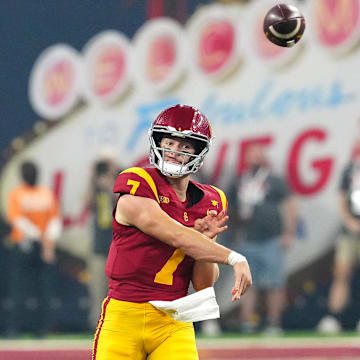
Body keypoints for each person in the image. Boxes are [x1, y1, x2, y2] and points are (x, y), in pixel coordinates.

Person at [92, 104, 252, 360]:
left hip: (174, 319)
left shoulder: (212, 200)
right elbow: (175, 234)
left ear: (198, 152)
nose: (174, 152)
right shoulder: (137, 182)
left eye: (185, 146)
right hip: (124, 316)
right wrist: (233, 257)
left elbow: (202, 284)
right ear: (157, 142)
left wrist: (205, 243)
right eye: (169, 143)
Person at [226, 143, 297, 335]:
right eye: (252, 154)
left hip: (271, 238)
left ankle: (274, 323)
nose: (255, 158)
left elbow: (289, 205)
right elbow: (228, 207)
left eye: (258, 154)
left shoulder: (273, 180)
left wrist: (288, 233)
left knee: (275, 283)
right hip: (247, 238)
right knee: (247, 283)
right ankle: (247, 322)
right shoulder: (239, 181)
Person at [6, 160, 62, 337]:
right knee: (20, 289)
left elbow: (55, 220)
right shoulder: (18, 194)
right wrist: (45, 239)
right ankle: (15, 328)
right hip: (26, 245)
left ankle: (42, 329)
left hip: (40, 246)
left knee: (42, 289)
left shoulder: (44, 193)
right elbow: (18, 221)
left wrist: (48, 243)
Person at [317, 145, 360, 334]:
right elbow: (342, 198)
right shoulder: (351, 168)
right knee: (341, 275)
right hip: (349, 231)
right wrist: (349, 221)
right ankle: (333, 317)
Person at [87, 158, 118, 329]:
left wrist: (111, 187)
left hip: (117, 249)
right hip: (99, 248)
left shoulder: (119, 190)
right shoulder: (96, 192)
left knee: (116, 292)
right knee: (97, 290)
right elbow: (87, 202)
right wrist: (93, 180)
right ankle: (96, 325)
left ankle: (115, 326)